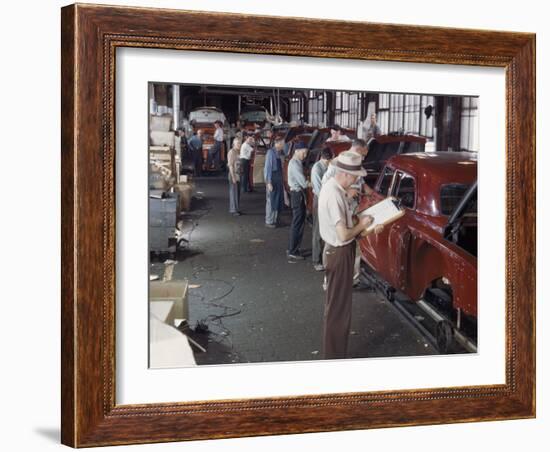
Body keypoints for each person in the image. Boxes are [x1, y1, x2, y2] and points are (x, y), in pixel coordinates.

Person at [318, 151, 384, 359]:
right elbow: (344, 234)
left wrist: (366, 226)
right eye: (355, 178)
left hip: (335, 251)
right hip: (340, 252)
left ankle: (334, 354)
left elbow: (347, 226)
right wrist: (363, 225)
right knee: (339, 309)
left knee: (336, 306)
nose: (357, 182)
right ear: (346, 174)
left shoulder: (331, 187)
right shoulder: (335, 195)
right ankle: (335, 358)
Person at [310, 147, 334, 271]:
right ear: (322, 158)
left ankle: (325, 258)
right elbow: (320, 190)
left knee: (326, 231)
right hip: (319, 201)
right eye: (327, 162)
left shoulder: (329, 167)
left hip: (327, 201)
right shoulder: (316, 168)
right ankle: (316, 260)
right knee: (317, 231)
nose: (329, 163)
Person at [287, 142, 309, 262]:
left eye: (306, 152)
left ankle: (293, 248)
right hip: (297, 194)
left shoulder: (296, 162)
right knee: (297, 224)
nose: (305, 155)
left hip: (297, 194)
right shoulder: (295, 163)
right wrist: (311, 183)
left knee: (298, 223)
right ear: (296, 151)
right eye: (303, 152)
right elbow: (303, 183)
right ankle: (293, 251)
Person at [264, 138, 285, 228]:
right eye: (282, 144)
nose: (283, 146)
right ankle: (269, 221)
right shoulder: (270, 153)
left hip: (278, 179)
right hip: (272, 179)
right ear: (278, 144)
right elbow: (267, 168)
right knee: (271, 200)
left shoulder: (279, 152)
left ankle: (275, 220)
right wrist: (268, 182)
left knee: (277, 200)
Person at [227, 137, 242, 216]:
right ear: (234, 144)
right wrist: (233, 177)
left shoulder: (238, 151)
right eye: (238, 143)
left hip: (238, 175)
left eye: (240, 143)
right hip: (234, 175)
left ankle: (236, 209)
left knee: (237, 193)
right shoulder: (231, 152)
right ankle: (233, 210)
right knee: (233, 193)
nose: (240, 145)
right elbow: (230, 165)